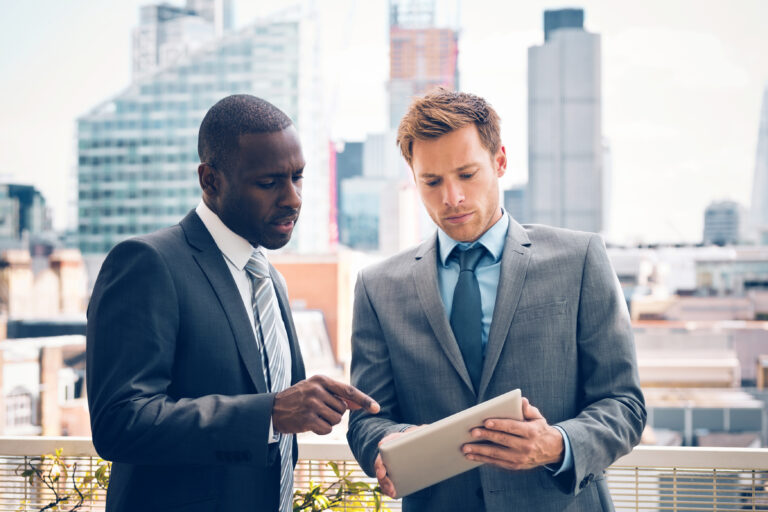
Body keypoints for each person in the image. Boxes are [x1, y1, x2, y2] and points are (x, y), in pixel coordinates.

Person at [346, 88, 645, 511]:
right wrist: (386, 442)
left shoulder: (579, 259)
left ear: (500, 161)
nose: (452, 198)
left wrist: (557, 444)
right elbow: (367, 417)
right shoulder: (378, 287)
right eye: (432, 181)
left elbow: (625, 405)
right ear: (414, 178)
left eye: (467, 174)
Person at [87, 94, 379, 512]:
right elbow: (121, 422)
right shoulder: (147, 263)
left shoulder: (270, 279)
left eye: (298, 177)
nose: (293, 198)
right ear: (210, 180)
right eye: (269, 182)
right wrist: (271, 413)